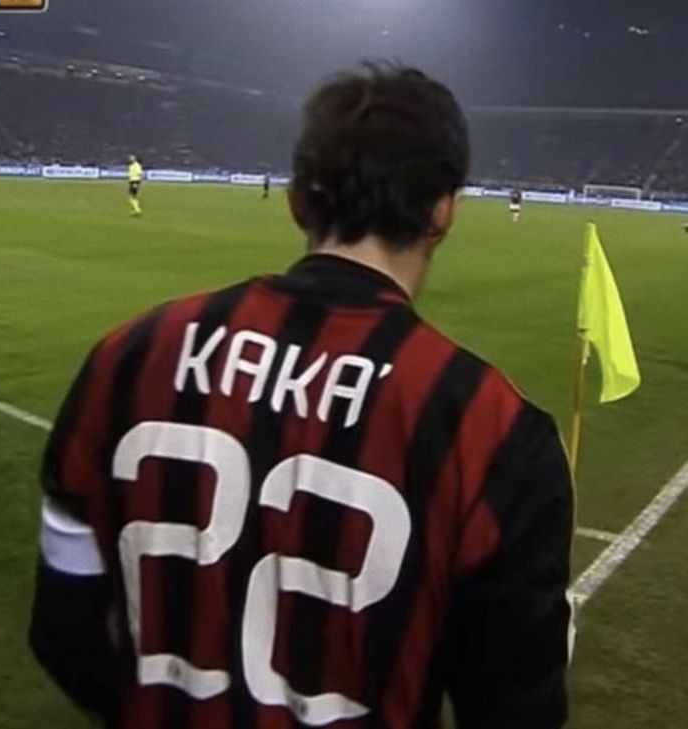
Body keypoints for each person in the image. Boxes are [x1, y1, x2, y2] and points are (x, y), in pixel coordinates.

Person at [30, 63, 573, 729]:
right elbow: (515, 709)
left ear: (296, 199)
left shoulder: (127, 357)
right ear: (443, 211)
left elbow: (64, 631)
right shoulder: (494, 429)